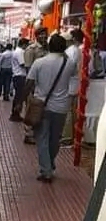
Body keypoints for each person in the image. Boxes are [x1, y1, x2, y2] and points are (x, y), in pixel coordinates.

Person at [25, 32, 77, 182]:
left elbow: (29, 84)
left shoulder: (39, 63)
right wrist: (70, 97)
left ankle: (46, 170)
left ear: (49, 46)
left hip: (42, 107)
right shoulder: (70, 64)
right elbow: (74, 84)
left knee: (42, 138)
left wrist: (19, 102)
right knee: (55, 139)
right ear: (64, 47)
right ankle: (49, 165)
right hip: (61, 108)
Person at [23, 26, 50, 144]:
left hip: (44, 85)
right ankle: (28, 134)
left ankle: (37, 132)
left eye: (45, 34)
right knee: (31, 108)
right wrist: (32, 86)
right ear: (36, 36)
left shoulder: (48, 49)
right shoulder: (31, 49)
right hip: (33, 84)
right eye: (41, 34)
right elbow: (28, 69)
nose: (43, 36)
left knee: (40, 109)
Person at [63, 28, 85, 147]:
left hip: (70, 85)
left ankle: (67, 137)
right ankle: (72, 136)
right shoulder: (78, 51)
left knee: (68, 112)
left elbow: (70, 69)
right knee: (73, 111)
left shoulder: (72, 51)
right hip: (75, 85)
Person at [11, 38, 30, 122]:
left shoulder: (17, 51)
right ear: (24, 44)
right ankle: (15, 114)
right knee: (19, 96)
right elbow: (23, 64)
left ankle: (16, 114)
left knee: (18, 96)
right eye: (27, 45)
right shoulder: (20, 52)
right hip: (20, 76)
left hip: (17, 76)